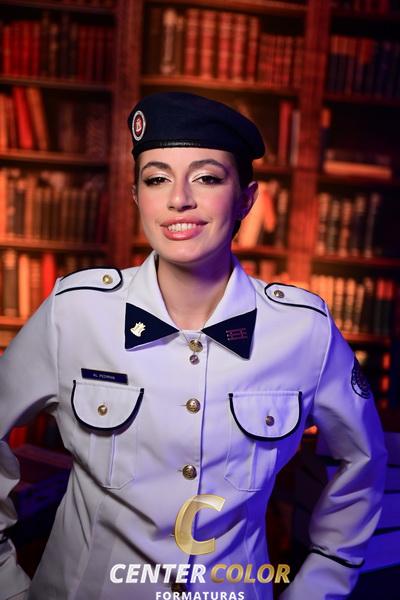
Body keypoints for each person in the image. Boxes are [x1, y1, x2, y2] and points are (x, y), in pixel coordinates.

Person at [0, 92, 387, 600]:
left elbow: (362, 462)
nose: (178, 199)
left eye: (206, 178)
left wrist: (321, 584)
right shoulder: (75, 313)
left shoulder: (303, 331)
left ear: (246, 198)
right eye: (156, 179)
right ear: (136, 196)